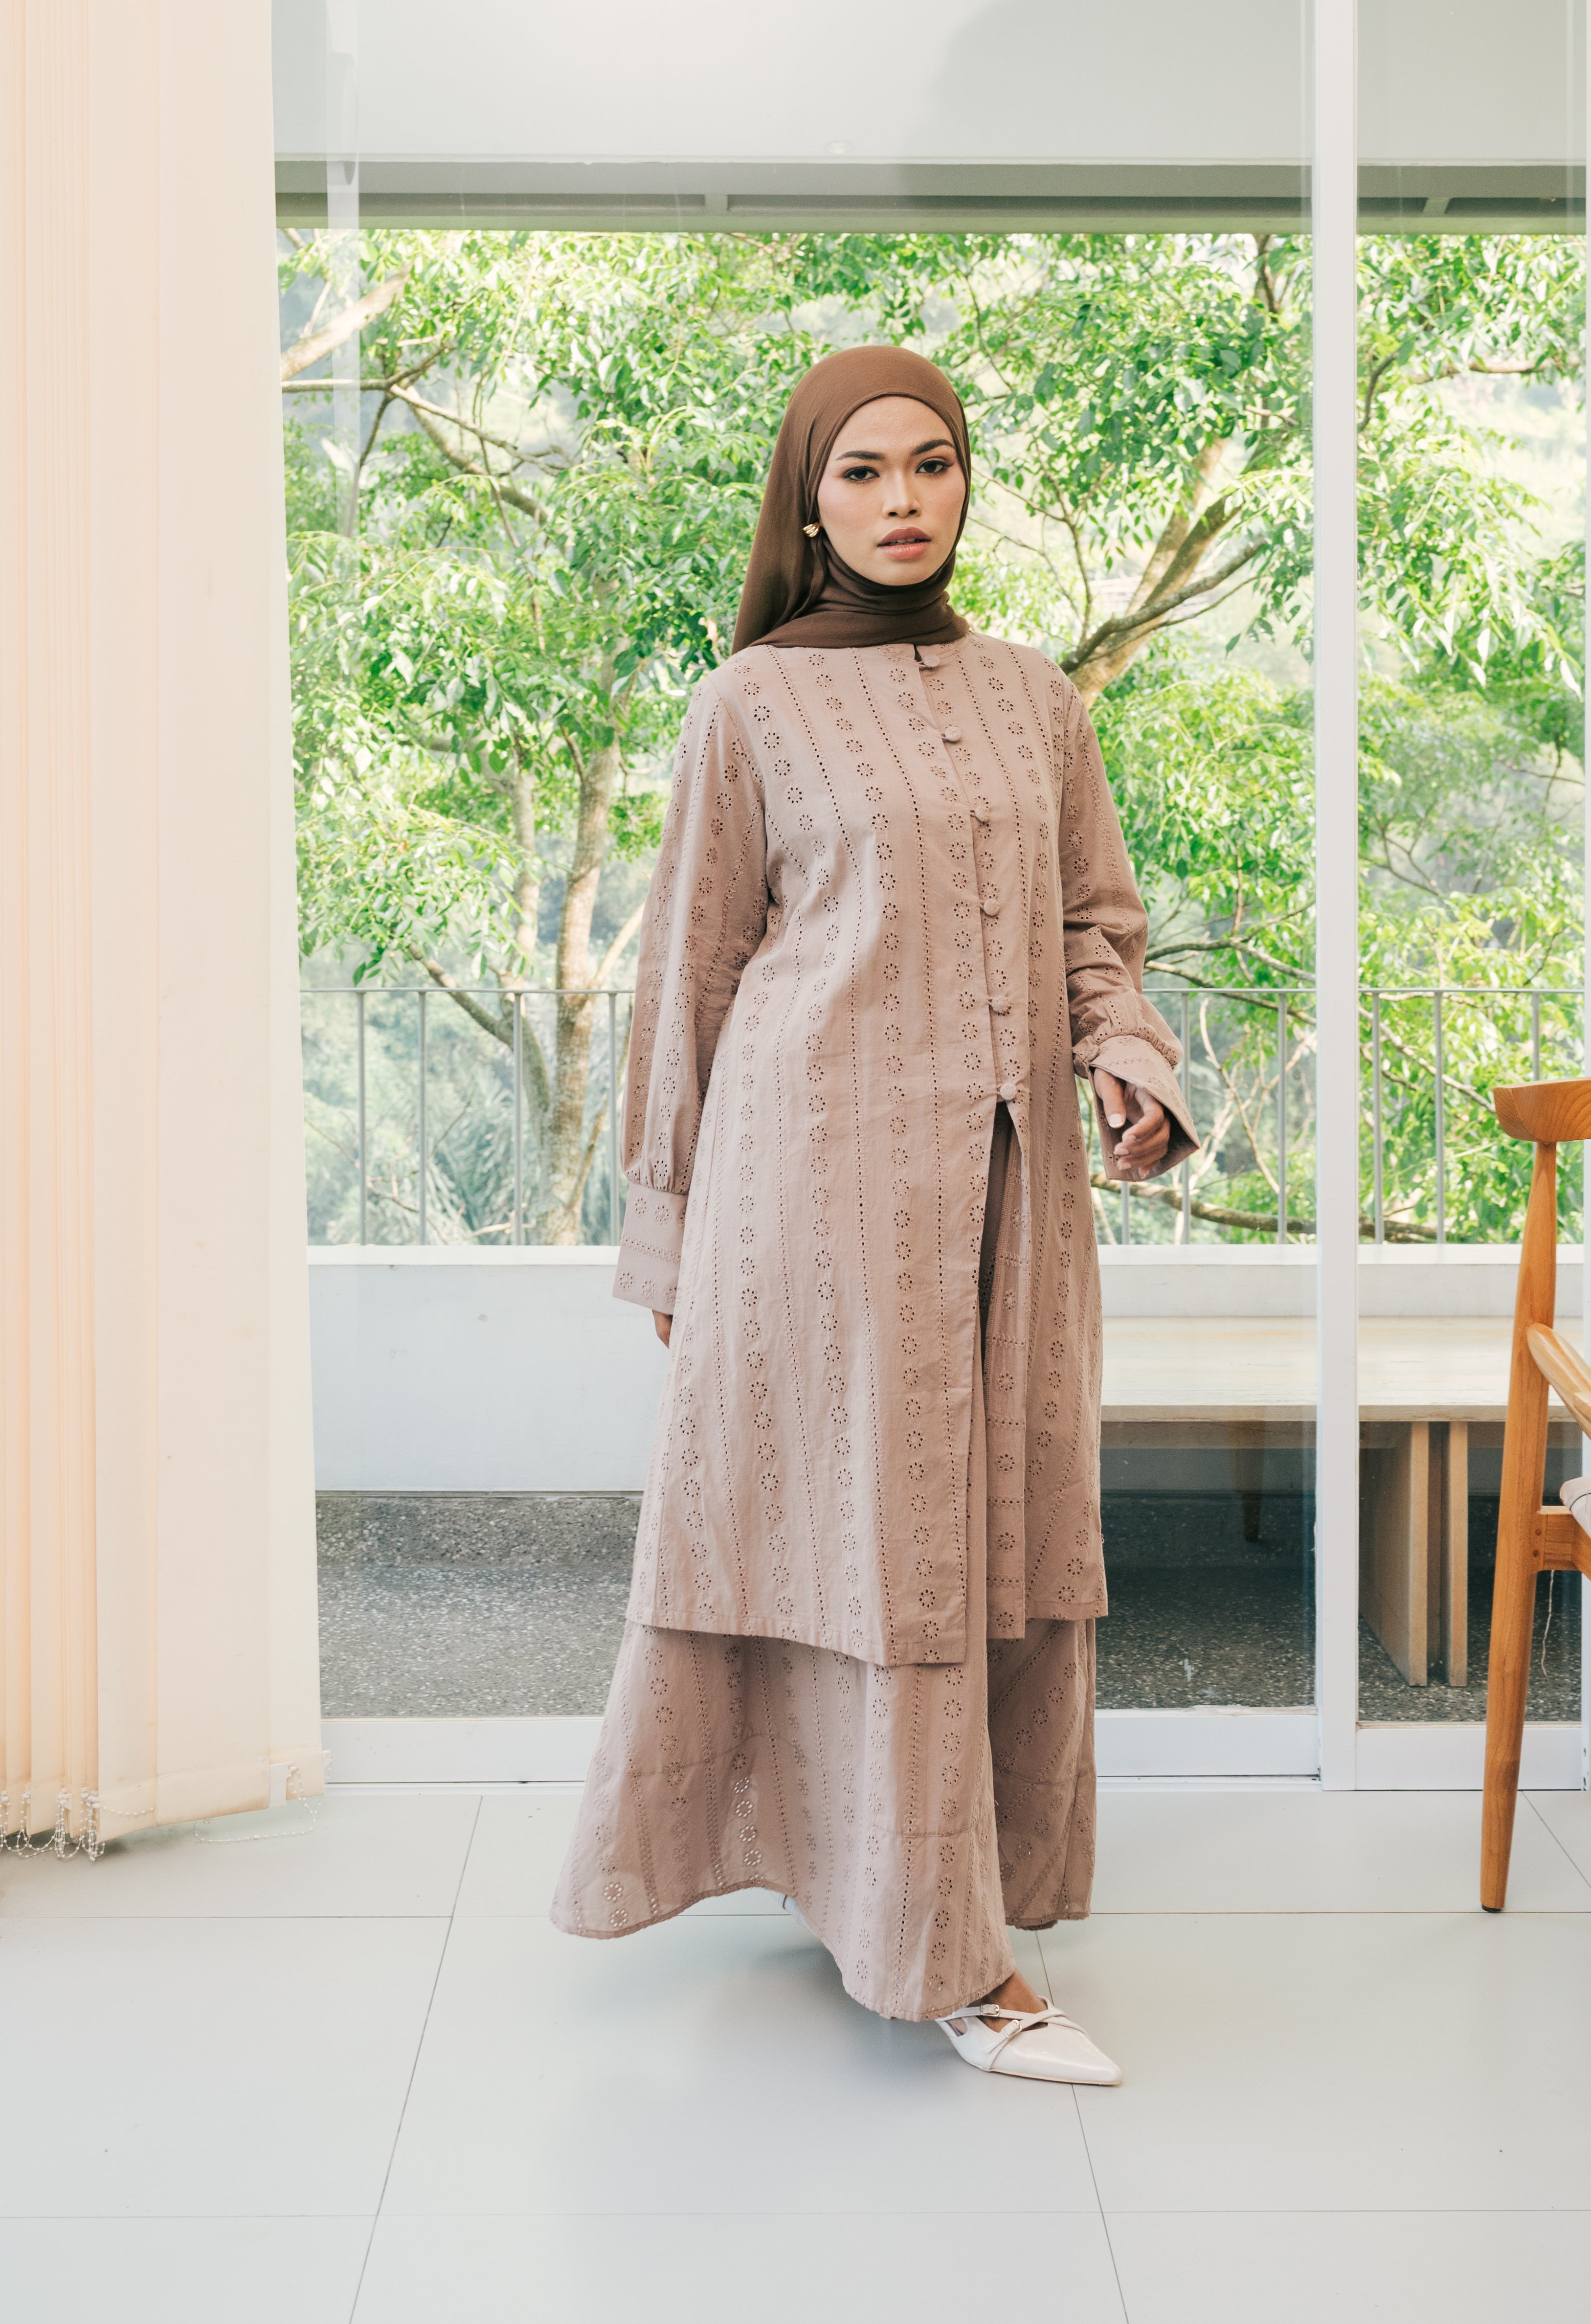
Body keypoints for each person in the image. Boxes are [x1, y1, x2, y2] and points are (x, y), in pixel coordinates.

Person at [553, 344, 1196, 2084]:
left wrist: (1128, 1055)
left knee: (987, 1536)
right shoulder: (748, 703)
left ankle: (889, 1877)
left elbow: (1094, 926)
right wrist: (673, 1236)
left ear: (966, 483)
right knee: (874, 1543)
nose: (903, 500)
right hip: (813, 1193)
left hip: (1009, 1202)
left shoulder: (1033, 699)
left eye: (931, 465)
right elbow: (690, 977)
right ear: (806, 498)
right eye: (861, 473)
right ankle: (957, 1968)